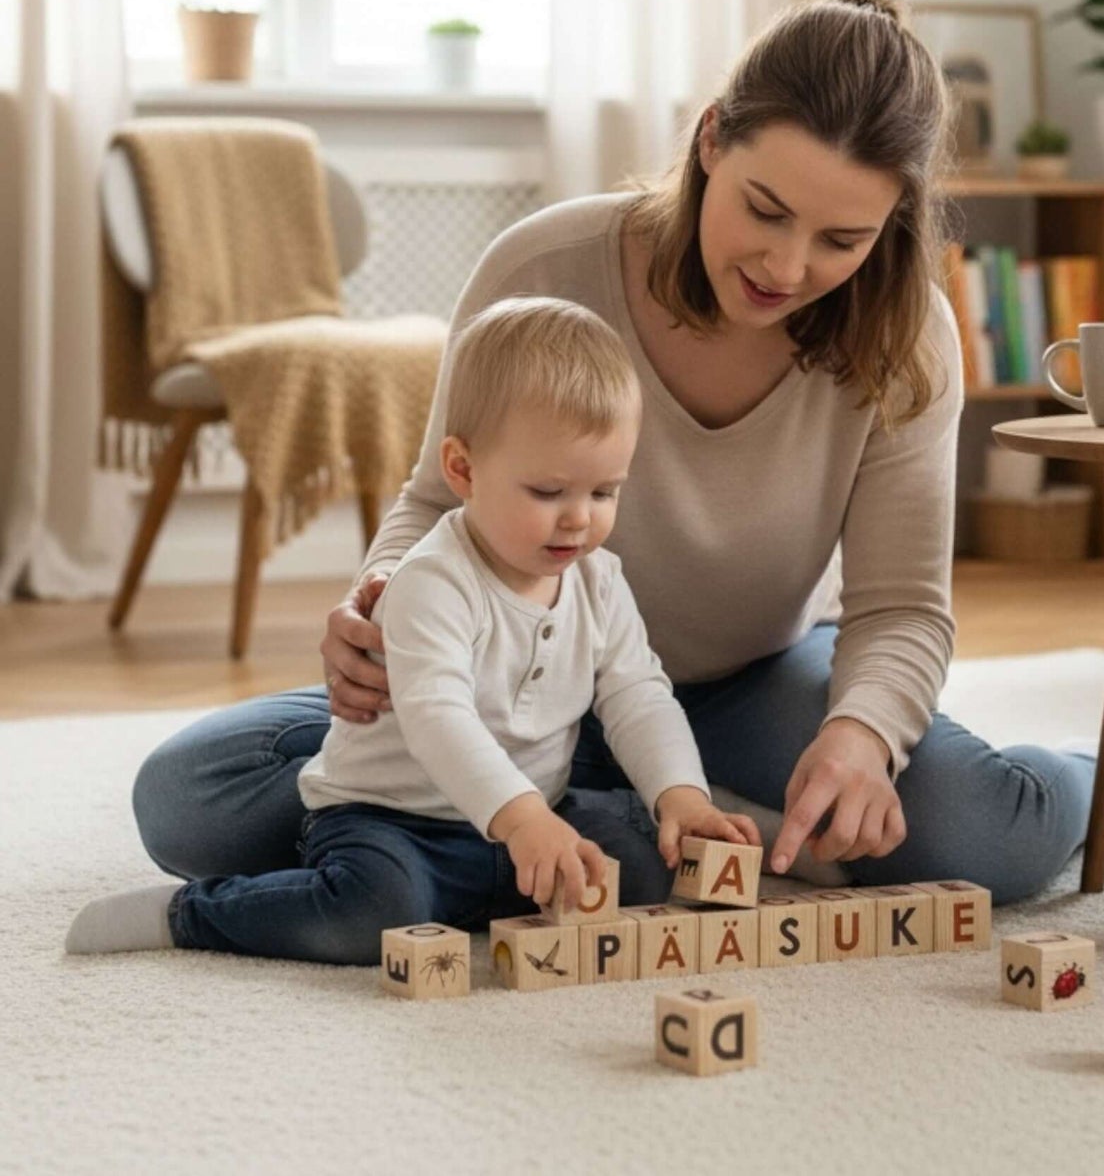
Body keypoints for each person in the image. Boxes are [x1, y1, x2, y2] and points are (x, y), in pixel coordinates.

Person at [121, 0, 1104, 921]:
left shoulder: (905, 333)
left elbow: (901, 607)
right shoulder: (546, 264)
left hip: (752, 679)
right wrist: (376, 603)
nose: (786, 265)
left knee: (988, 836)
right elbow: (439, 493)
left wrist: (859, 733)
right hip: (510, 669)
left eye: (841, 237)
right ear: (711, 138)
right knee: (190, 801)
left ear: (895, 221)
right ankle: (627, 800)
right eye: (764, 209)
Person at [67, 298, 759, 961]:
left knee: (638, 868)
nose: (578, 518)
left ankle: (520, 879)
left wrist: (681, 794)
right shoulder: (432, 579)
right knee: (372, 909)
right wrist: (523, 822)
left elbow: (638, 694)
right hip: (395, 819)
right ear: (461, 468)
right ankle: (191, 913)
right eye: (548, 492)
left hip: (536, 809)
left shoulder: (598, 580)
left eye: (603, 492)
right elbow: (437, 716)